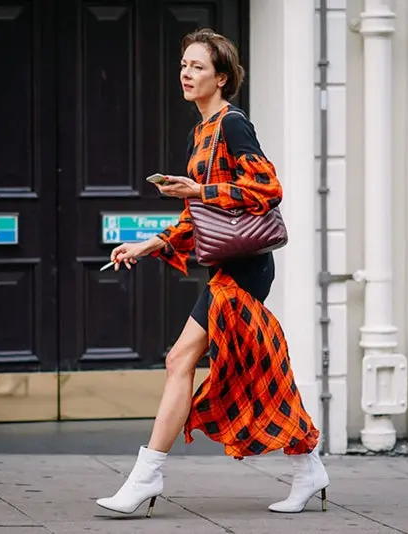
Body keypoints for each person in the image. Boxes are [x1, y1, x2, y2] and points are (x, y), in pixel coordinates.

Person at [95, 28, 330, 518]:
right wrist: (147, 245)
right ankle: (309, 466)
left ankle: (146, 476)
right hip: (226, 266)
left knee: (181, 358)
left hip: (245, 269)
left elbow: (267, 189)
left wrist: (198, 191)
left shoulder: (233, 125)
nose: (186, 72)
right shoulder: (199, 132)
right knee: (254, 369)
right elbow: (196, 217)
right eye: (184, 64)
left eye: (197, 66)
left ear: (221, 78)